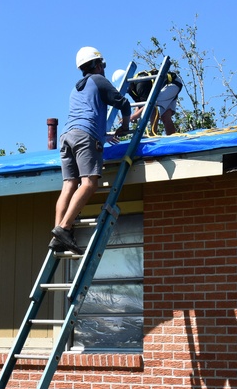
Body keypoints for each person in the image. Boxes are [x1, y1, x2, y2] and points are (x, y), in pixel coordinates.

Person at [51, 47, 131, 254]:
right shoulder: (98, 80)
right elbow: (123, 103)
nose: (103, 69)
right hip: (85, 136)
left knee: (69, 185)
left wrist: (103, 136)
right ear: (96, 65)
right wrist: (125, 126)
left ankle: (59, 233)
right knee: (89, 183)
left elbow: (83, 117)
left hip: (67, 137)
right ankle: (64, 228)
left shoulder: (76, 88)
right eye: (102, 65)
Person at [124, 67, 184, 135]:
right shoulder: (131, 89)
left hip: (172, 83)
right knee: (165, 117)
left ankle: (153, 134)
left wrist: (131, 117)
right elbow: (140, 104)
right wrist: (134, 116)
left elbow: (150, 105)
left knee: (152, 105)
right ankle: (172, 139)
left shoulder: (141, 84)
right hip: (165, 88)